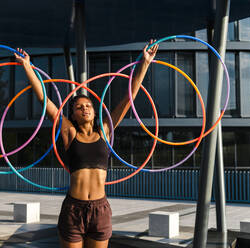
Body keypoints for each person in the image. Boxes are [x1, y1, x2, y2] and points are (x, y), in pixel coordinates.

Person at [14, 40, 158, 248]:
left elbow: (129, 98)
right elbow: (45, 101)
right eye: (79, 107)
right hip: (73, 208)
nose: (85, 109)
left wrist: (144, 63)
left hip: (100, 209)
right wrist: (27, 67)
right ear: (72, 114)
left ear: (95, 110)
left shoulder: (105, 131)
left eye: (88, 105)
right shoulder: (69, 132)